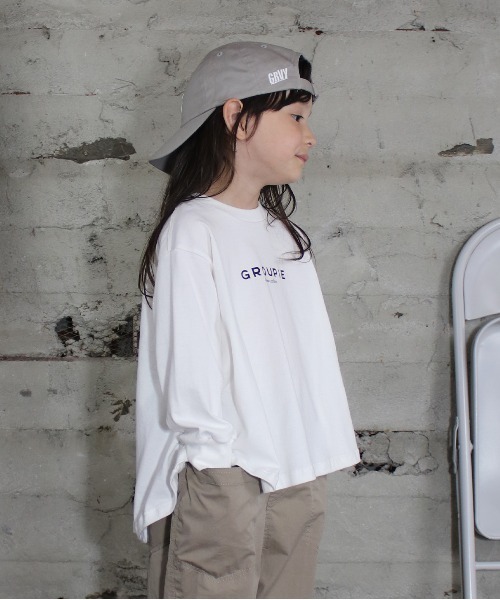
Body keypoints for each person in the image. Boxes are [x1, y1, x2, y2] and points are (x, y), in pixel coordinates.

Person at [133, 41, 360, 599]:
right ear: (237, 116)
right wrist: (214, 464)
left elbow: (306, 356)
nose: (310, 135)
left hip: (296, 465)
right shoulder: (193, 230)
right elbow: (188, 364)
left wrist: (316, 449)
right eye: (296, 117)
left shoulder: (282, 235)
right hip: (222, 473)